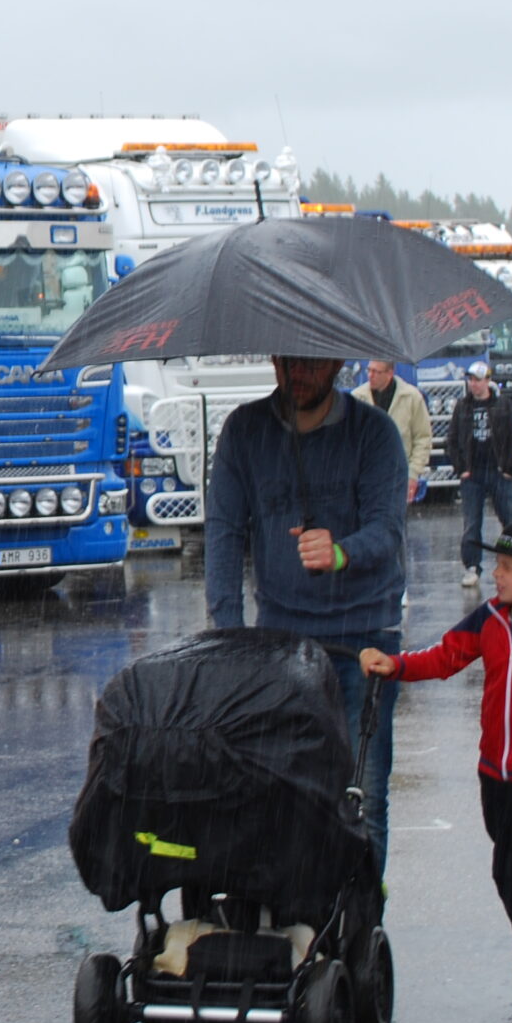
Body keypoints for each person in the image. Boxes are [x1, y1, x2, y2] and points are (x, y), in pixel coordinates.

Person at [360, 516, 512, 1020]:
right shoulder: (489, 621)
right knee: (508, 870)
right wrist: (398, 664)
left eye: (509, 567)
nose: (497, 574)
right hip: (497, 776)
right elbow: (448, 655)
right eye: (497, 564)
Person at [205, 354, 412, 874]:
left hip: (364, 637)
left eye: (313, 362)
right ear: (273, 358)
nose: (299, 371)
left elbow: (387, 532)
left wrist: (341, 551)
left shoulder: (376, 434)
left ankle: (360, 927)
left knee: (363, 795)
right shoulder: (244, 431)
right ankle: (297, 918)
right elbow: (224, 535)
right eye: (288, 360)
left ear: (339, 361)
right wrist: (229, 637)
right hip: (280, 638)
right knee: (277, 790)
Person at [449, 361, 512, 591]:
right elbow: (451, 439)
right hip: (473, 472)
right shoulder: (462, 406)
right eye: (471, 380)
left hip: (498, 470)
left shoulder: (502, 404)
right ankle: (472, 566)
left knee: (510, 519)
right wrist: (461, 469)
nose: (474, 384)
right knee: (471, 522)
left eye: (478, 380)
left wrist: (509, 468)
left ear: (488, 380)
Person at [363, 359, 434, 504]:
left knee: (395, 524)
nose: (370, 375)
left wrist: (413, 474)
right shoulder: (358, 397)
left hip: (398, 477)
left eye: (376, 371)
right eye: (368, 370)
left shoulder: (411, 397)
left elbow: (423, 438)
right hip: (365, 480)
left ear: (390, 373)